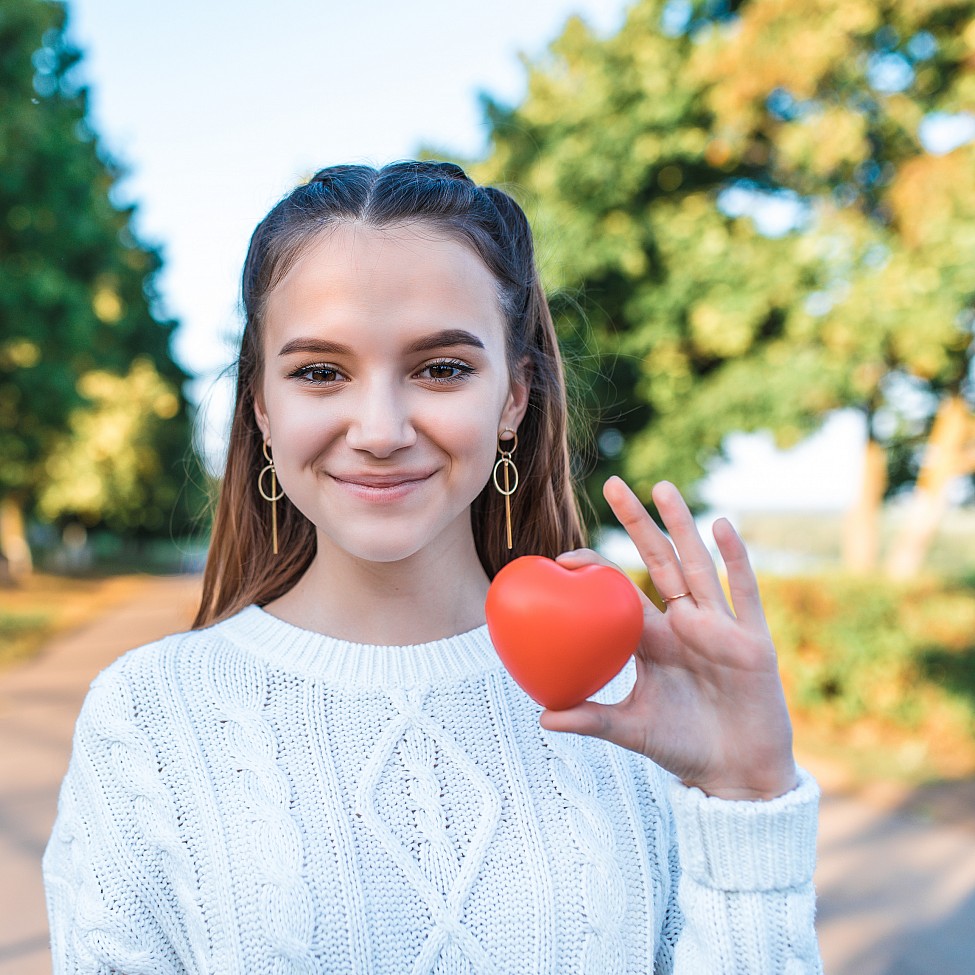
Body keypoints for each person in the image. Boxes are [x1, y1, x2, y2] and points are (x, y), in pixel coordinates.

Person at [43, 161, 822, 974]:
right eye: (320, 371)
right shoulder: (148, 719)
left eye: (441, 368)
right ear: (263, 409)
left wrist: (745, 798)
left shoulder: (644, 708)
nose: (380, 429)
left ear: (514, 397)